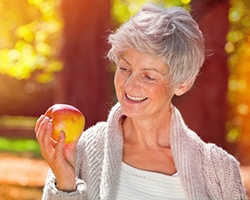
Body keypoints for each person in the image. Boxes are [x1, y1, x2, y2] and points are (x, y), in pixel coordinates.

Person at [35, 2, 247, 200]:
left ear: (182, 84)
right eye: (125, 68)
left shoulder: (220, 171)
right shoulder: (82, 151)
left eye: (148, 76)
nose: (129, 85)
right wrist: (65, 182)